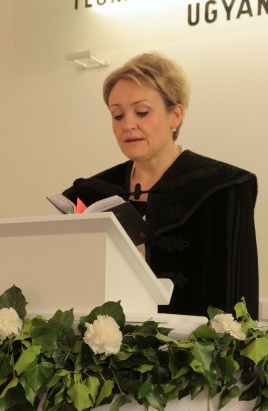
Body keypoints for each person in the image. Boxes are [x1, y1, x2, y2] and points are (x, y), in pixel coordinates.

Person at [62, 52, 259, 318]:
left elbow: (239, 301)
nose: (128, 125)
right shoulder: (88, 194)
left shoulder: (223, 187)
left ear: (175, 115)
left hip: (195, 343)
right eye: (117, 115)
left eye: (142, 112)